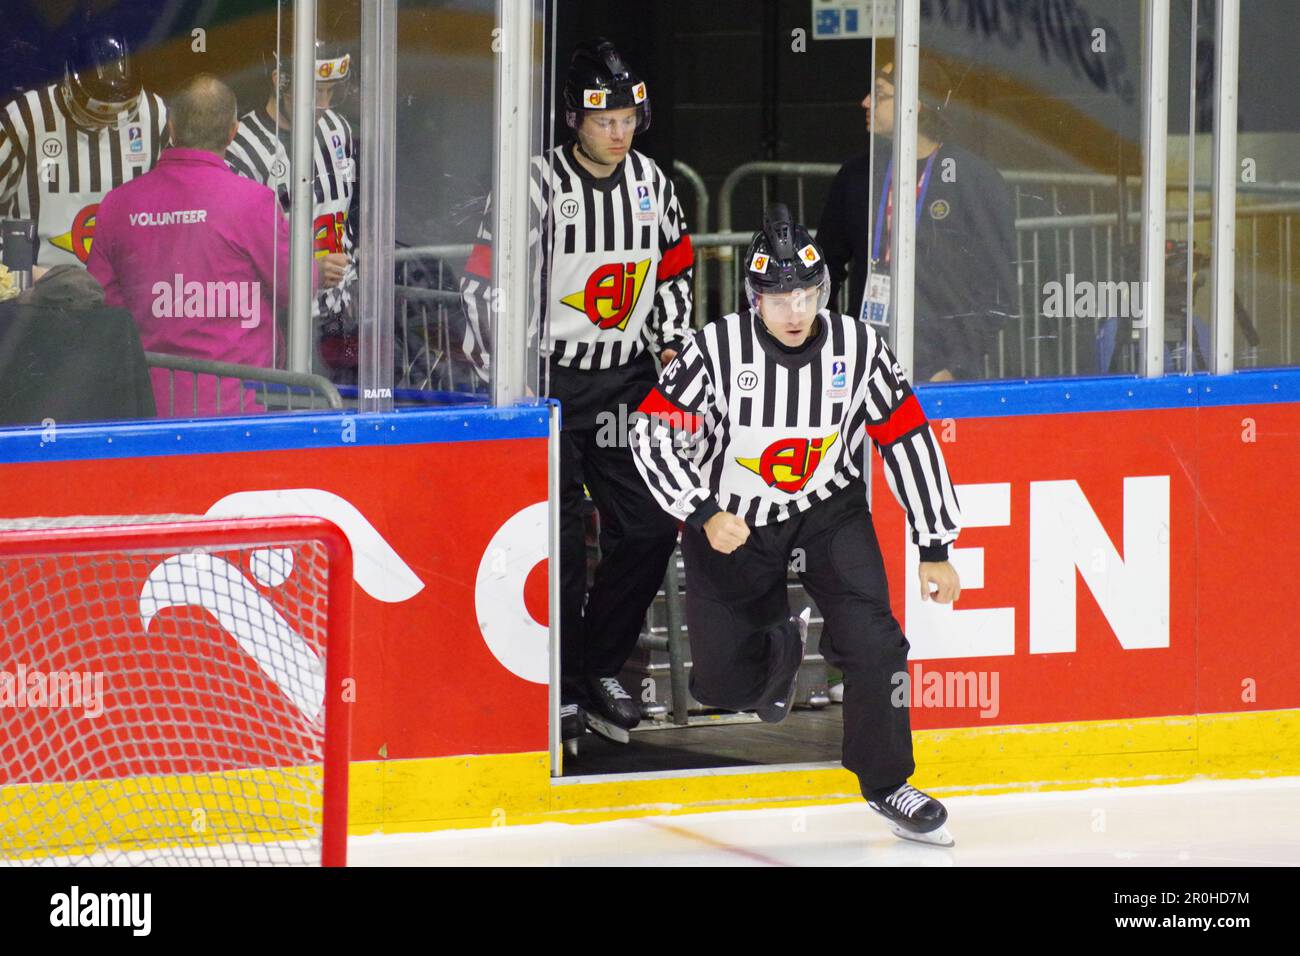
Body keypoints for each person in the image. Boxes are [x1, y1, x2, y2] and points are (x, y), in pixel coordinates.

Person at [630, 206, 963, 846]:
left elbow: (907, 437)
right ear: (755, 298)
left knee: (878, 645)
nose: (794, 312)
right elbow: (649, 434)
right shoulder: (712, 349)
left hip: (828, 511)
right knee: (721, 684)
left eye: (806, 294)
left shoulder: (860, 346)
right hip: (734, 517)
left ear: (823, 291)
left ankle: (888, 781)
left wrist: (934, 543)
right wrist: (701, 510)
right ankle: (784, 644)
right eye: (778, 298)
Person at [461, 38, 692, 742]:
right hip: (551, 382)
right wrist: (509, 381)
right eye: (605, 121)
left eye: (629, 119)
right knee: (559, 541)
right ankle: (559, 686)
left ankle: (596, 667)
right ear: (574, 120)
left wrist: (675, 354)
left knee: (652, 524)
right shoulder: (534, 184)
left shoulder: (653, 185)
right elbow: (485, 288)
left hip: (625, 381)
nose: (619, 133)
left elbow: (675, 274)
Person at [86, 74, 347, 417]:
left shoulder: (118, 205)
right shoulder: (252, 202)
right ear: (233, 132)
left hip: (144, 405)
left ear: (171, 128)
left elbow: (102, 302)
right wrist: (316, 271)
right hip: (238, 410)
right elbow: (290, 287)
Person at [816, 57, 1017, 382]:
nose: (865, 102)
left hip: (942, 374)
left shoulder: (972, 178)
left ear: (916, 104)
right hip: (867, 363)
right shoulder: (858, 175)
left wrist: (956, 366)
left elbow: (997, 287)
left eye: (879, 95)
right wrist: (820, 347)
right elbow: (825, 269)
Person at [225, 39, 358, 381]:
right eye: (314, 92)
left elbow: (343, 211)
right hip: (279, 321)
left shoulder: (337, 130)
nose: (323, 105)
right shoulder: (240, 149)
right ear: (278, 81)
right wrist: (307, 269)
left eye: (331, 92)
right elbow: (235, 249)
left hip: (341, 313)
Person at [0, 31, 167, 268]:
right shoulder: (23, 119)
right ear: (69, 87)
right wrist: (18, 272)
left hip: (126, 280)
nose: (106, 122)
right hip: (41, 285)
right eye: (97, 114)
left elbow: (177, 199)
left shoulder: (155, 114)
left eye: (116, 113)